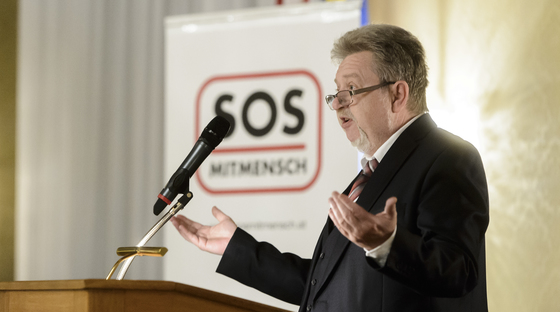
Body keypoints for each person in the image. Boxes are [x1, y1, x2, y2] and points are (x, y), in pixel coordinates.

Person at [171, 24, 489, 312]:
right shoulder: (373, 172)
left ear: (397, 94)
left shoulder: (448, 157)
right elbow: (323, 285)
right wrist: (238, 248)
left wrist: (386, 244)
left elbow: (458, 270)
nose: (337, 104)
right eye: (336, 93)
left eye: (350, 91)